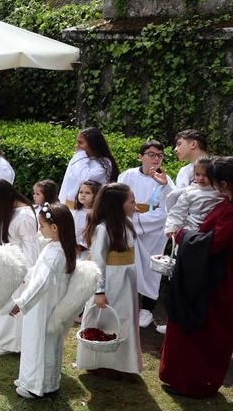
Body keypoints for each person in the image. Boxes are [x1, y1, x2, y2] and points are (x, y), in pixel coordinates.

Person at [158, 157, 233, 397]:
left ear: (223, 184)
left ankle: (196, 382)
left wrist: (181, 235)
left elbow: (213, 243)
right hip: (207, 272)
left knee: (205, 330)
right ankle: (179, 376)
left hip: (219, 280)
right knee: (187, 327)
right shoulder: (226, 202)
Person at [9, 204, 84, 398]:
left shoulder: (54, 253)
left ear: (55, 227)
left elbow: (42, 283)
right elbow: (39, 273)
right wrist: (26, 274)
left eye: (42, 225)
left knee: (37, 342)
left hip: (42, 305)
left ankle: (35, 385)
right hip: (52, 303)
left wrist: (22, 303)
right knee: (51, 343)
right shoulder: (58, 248)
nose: (39, 229)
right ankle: (49, 383)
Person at [78, 183, 142, 376]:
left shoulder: (127, 224)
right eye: (131, 201)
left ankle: (123, 363)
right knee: (106, 320)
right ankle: (101, 362)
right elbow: (98, 263)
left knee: (125, 319)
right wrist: (99, 291)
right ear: (118, 205)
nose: (135, 205)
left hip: (126, 282)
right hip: (110, 283)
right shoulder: (103, 230)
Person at [117, 140, 175, 328]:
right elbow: (116, 199)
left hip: (153, 232)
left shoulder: (166, 180)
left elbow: (171, 207)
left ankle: (147, 310)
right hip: (128, 227)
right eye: (151, 154)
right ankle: (127, 305)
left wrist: (141, 221)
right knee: (128, 266)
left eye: (160, 155)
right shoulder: (127, 176)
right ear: (140, 157)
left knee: (151, 269)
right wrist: (129, 219)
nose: (156, 159)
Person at [0, 179, 40, 354]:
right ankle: (4, 339)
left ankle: (12, 343)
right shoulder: (13, 211)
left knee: (12, 305)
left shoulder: (24, 217)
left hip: (19, 267)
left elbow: (31, 248)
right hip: (9, 264)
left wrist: (25, 273)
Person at [60, 127, 119, 211]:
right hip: (68, 208)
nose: (77, 146)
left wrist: (80, 155)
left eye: (80, 143)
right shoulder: (78, 159)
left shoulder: (104, 163)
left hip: (88, 211)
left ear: (92, 144)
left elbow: (84, 178)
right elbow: (66, 185)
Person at [165, 158, 221, 237]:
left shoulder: (221, 192)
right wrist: (171, 228)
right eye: (197, 174)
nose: (201, 178)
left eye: (205, 175)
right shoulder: (189, 192)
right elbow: (178, 212)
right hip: (192, 233)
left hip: (214, 233)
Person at [71, 180, 100, 250]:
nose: (83, 195)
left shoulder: (95, 214)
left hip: (85, 250)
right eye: (81, 192)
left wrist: (81, 247)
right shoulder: (75, 212)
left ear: (96, 196)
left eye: (88, 193)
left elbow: (93, 234)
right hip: (72, 247)